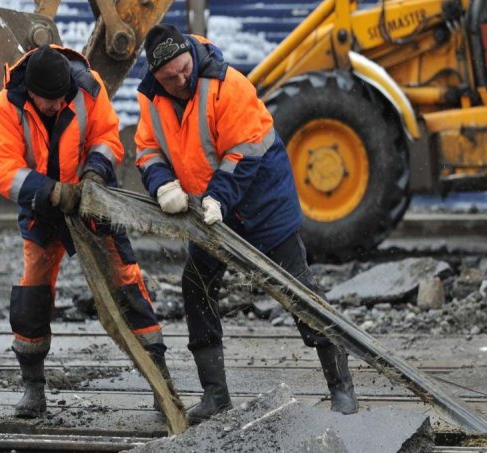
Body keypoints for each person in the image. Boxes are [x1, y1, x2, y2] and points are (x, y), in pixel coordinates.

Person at [134, 23, 359, 424]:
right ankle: (215, 395)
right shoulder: (152, 99)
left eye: (184, 69)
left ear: (190, 53)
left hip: (262, 205)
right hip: (209, 213)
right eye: (170, 78)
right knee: (196, 286)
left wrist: (220, 197)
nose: (181, 80)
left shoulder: (227, 84)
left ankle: (341, 388)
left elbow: (245, 151)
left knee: (298, 290)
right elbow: (148, 150)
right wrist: (161, 183)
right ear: (155, 76)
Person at [0, 44, 169, 419]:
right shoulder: (6, 106)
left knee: (125, 283)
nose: (55, 106)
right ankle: (33, 389)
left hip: (91, 200)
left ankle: (160, 383)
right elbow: (3, 169)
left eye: (60, 98)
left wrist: (94, 171)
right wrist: (50, 191)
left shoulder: (88, 88)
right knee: (33, 290)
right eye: (47, 101)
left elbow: (107, 136)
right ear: (31, 92)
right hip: (43, 208)